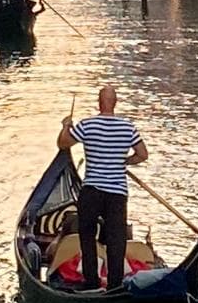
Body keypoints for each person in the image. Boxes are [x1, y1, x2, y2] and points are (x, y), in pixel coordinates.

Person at [56, 85, 147, 290]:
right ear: (115, 103)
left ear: (99, 103)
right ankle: (115, 286)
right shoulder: (128, 127)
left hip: (92, 190)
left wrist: (66, 126)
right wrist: (125, 162)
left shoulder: (87, 125)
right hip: (117, 192)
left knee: (87, 236)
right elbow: (142, 154)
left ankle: (91, 282)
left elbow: (63, 144)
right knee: (116, 239)